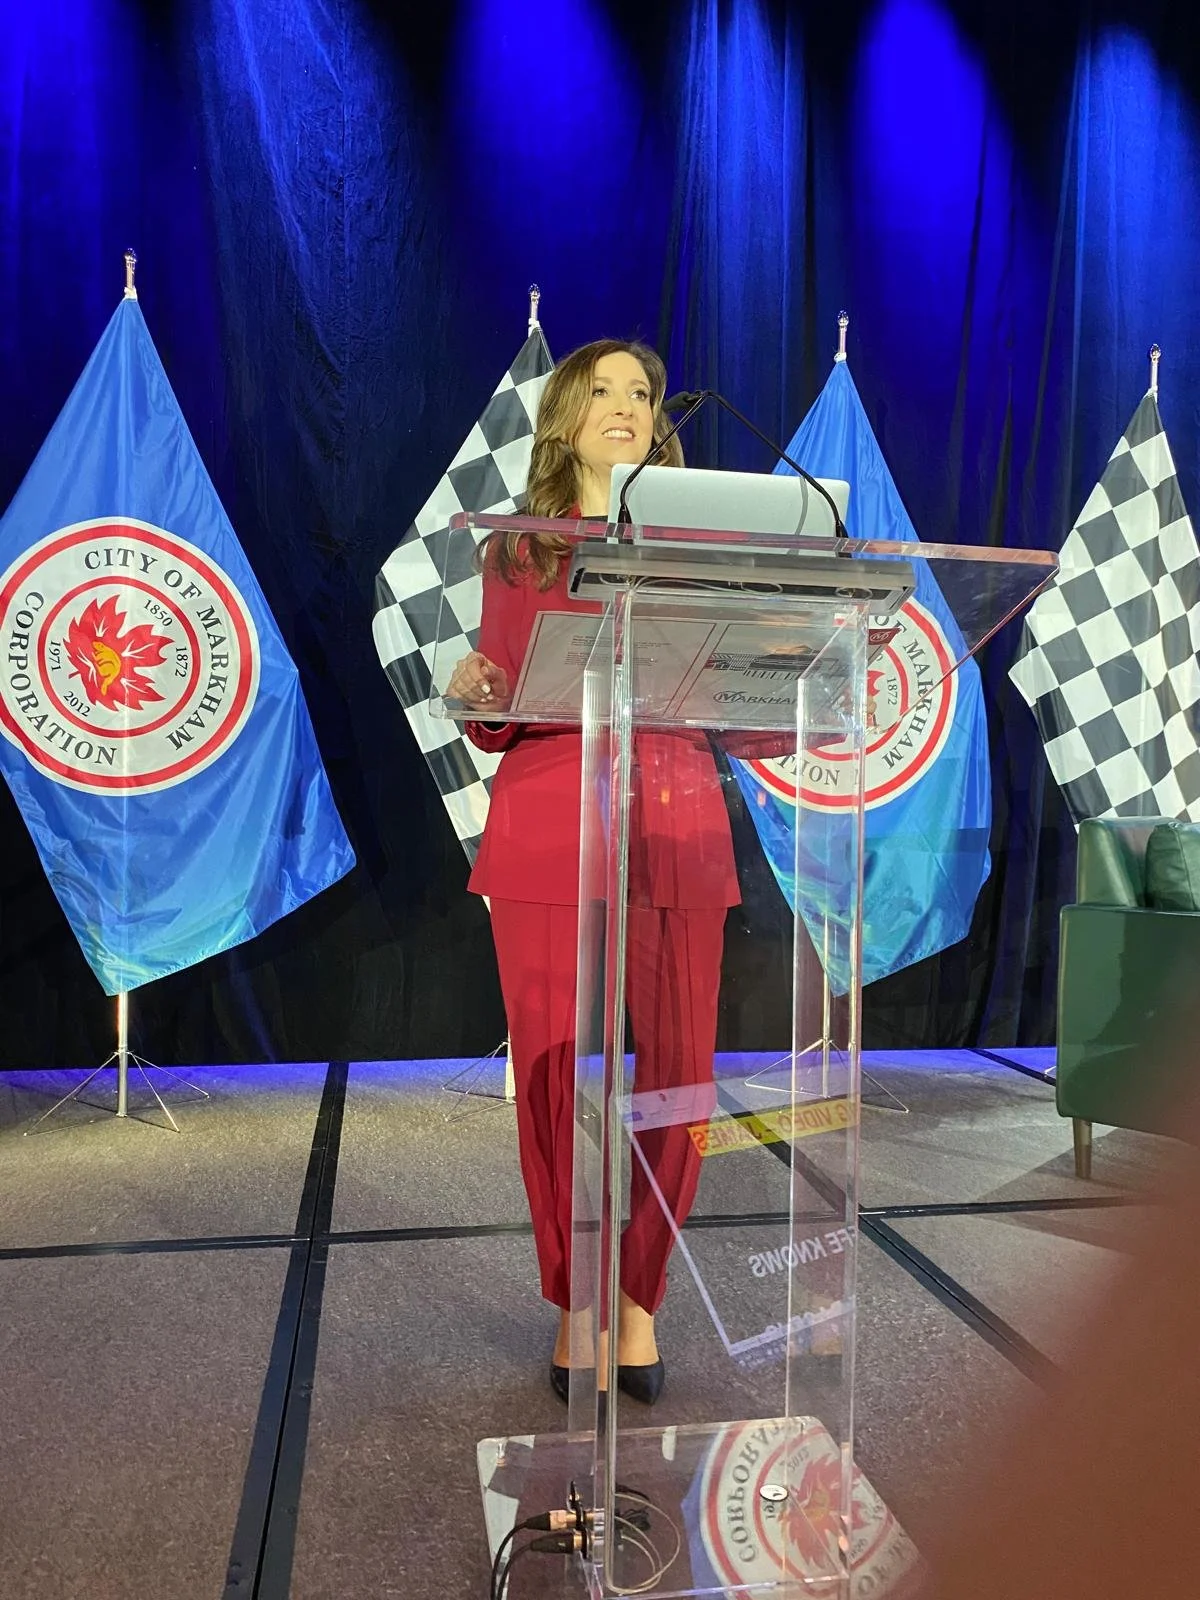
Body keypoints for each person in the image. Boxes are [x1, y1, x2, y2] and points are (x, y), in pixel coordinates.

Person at [447, 338, 758, 1407]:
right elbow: (497, 710)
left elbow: (751, 711)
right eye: (605, 391)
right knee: (545, 1078)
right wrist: (476, 685)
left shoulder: (703, 542)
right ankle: (574, 1300)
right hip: (547, 828)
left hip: (675, 827)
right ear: (566, 418)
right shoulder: (520, 552)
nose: (628, 405)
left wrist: (808, 666)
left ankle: (637, 1302)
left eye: (644, 392)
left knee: (679, 1079)